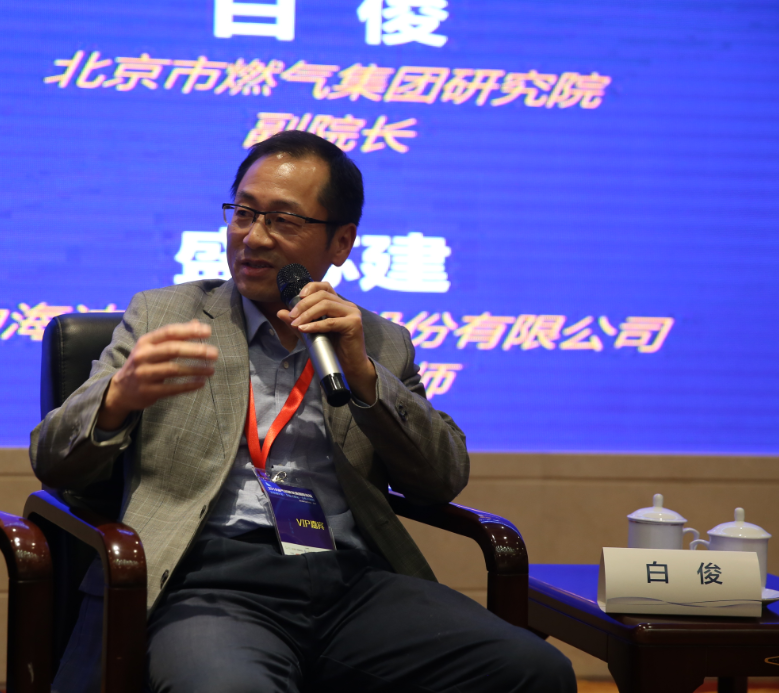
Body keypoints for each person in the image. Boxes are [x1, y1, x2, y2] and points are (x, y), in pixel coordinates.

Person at [30, 131, 576, 693]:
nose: (253, 237)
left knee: (535, 671)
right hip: (207, 580)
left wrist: (364, 375)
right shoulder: (163, 315)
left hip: (351, 582)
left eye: (283, 220)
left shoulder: (380, 341)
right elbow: (51, 459)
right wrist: (117, 398)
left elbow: (442, 478)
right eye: (244, 213)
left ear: (341, 242)